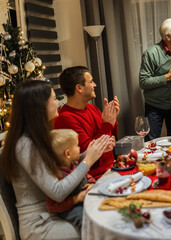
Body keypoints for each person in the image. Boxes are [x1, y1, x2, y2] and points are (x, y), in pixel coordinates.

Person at [0, 80, 111, 239]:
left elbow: (63, 165)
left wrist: (93, 152)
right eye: (53, 99)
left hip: (56, 212)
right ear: (40, 106)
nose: (58, 102)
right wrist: (88, 161)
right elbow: (57, 192)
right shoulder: (25, 145)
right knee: (101, 228)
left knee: (104, 214)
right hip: (40, 225)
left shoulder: (36, 137)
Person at [54, 66, 119, 179]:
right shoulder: (65, 118)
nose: (95, 85)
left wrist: (112, 119)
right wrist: (108, 124)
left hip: (112, 168)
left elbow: (111, 137)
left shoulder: (92, 108)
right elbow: (88, 152)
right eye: (91, 81)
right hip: (95, 177)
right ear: (79, 88)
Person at [46, 129, 96, 232]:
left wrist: (91, 183)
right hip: (69, 208)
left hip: (84, 199)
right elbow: (52, 207)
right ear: (68, 153)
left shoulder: (75, 163)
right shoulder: (56, 176)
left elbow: (86, 175)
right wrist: (76, 198)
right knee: (83, 218)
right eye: (77, 146)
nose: (79, 148)